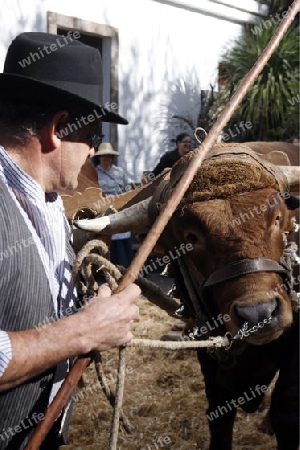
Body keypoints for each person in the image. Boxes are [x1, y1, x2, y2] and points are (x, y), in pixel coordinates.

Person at [0, 32, 140, 450]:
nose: (94, 152)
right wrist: (84, 330)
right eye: (94, 136)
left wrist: (89, 310)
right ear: (59, 128)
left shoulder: (49, 202)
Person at [94, 142, 134, 268]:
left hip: (120, 208)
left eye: (109, 156)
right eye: (104, 156)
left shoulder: (119, 172)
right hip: (103, 210)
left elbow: (127, 189)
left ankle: (124, 266)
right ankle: (107, 268)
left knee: (122, 236)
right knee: (107, 239)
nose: (107, 158)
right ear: (99, 157)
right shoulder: (94, 173)